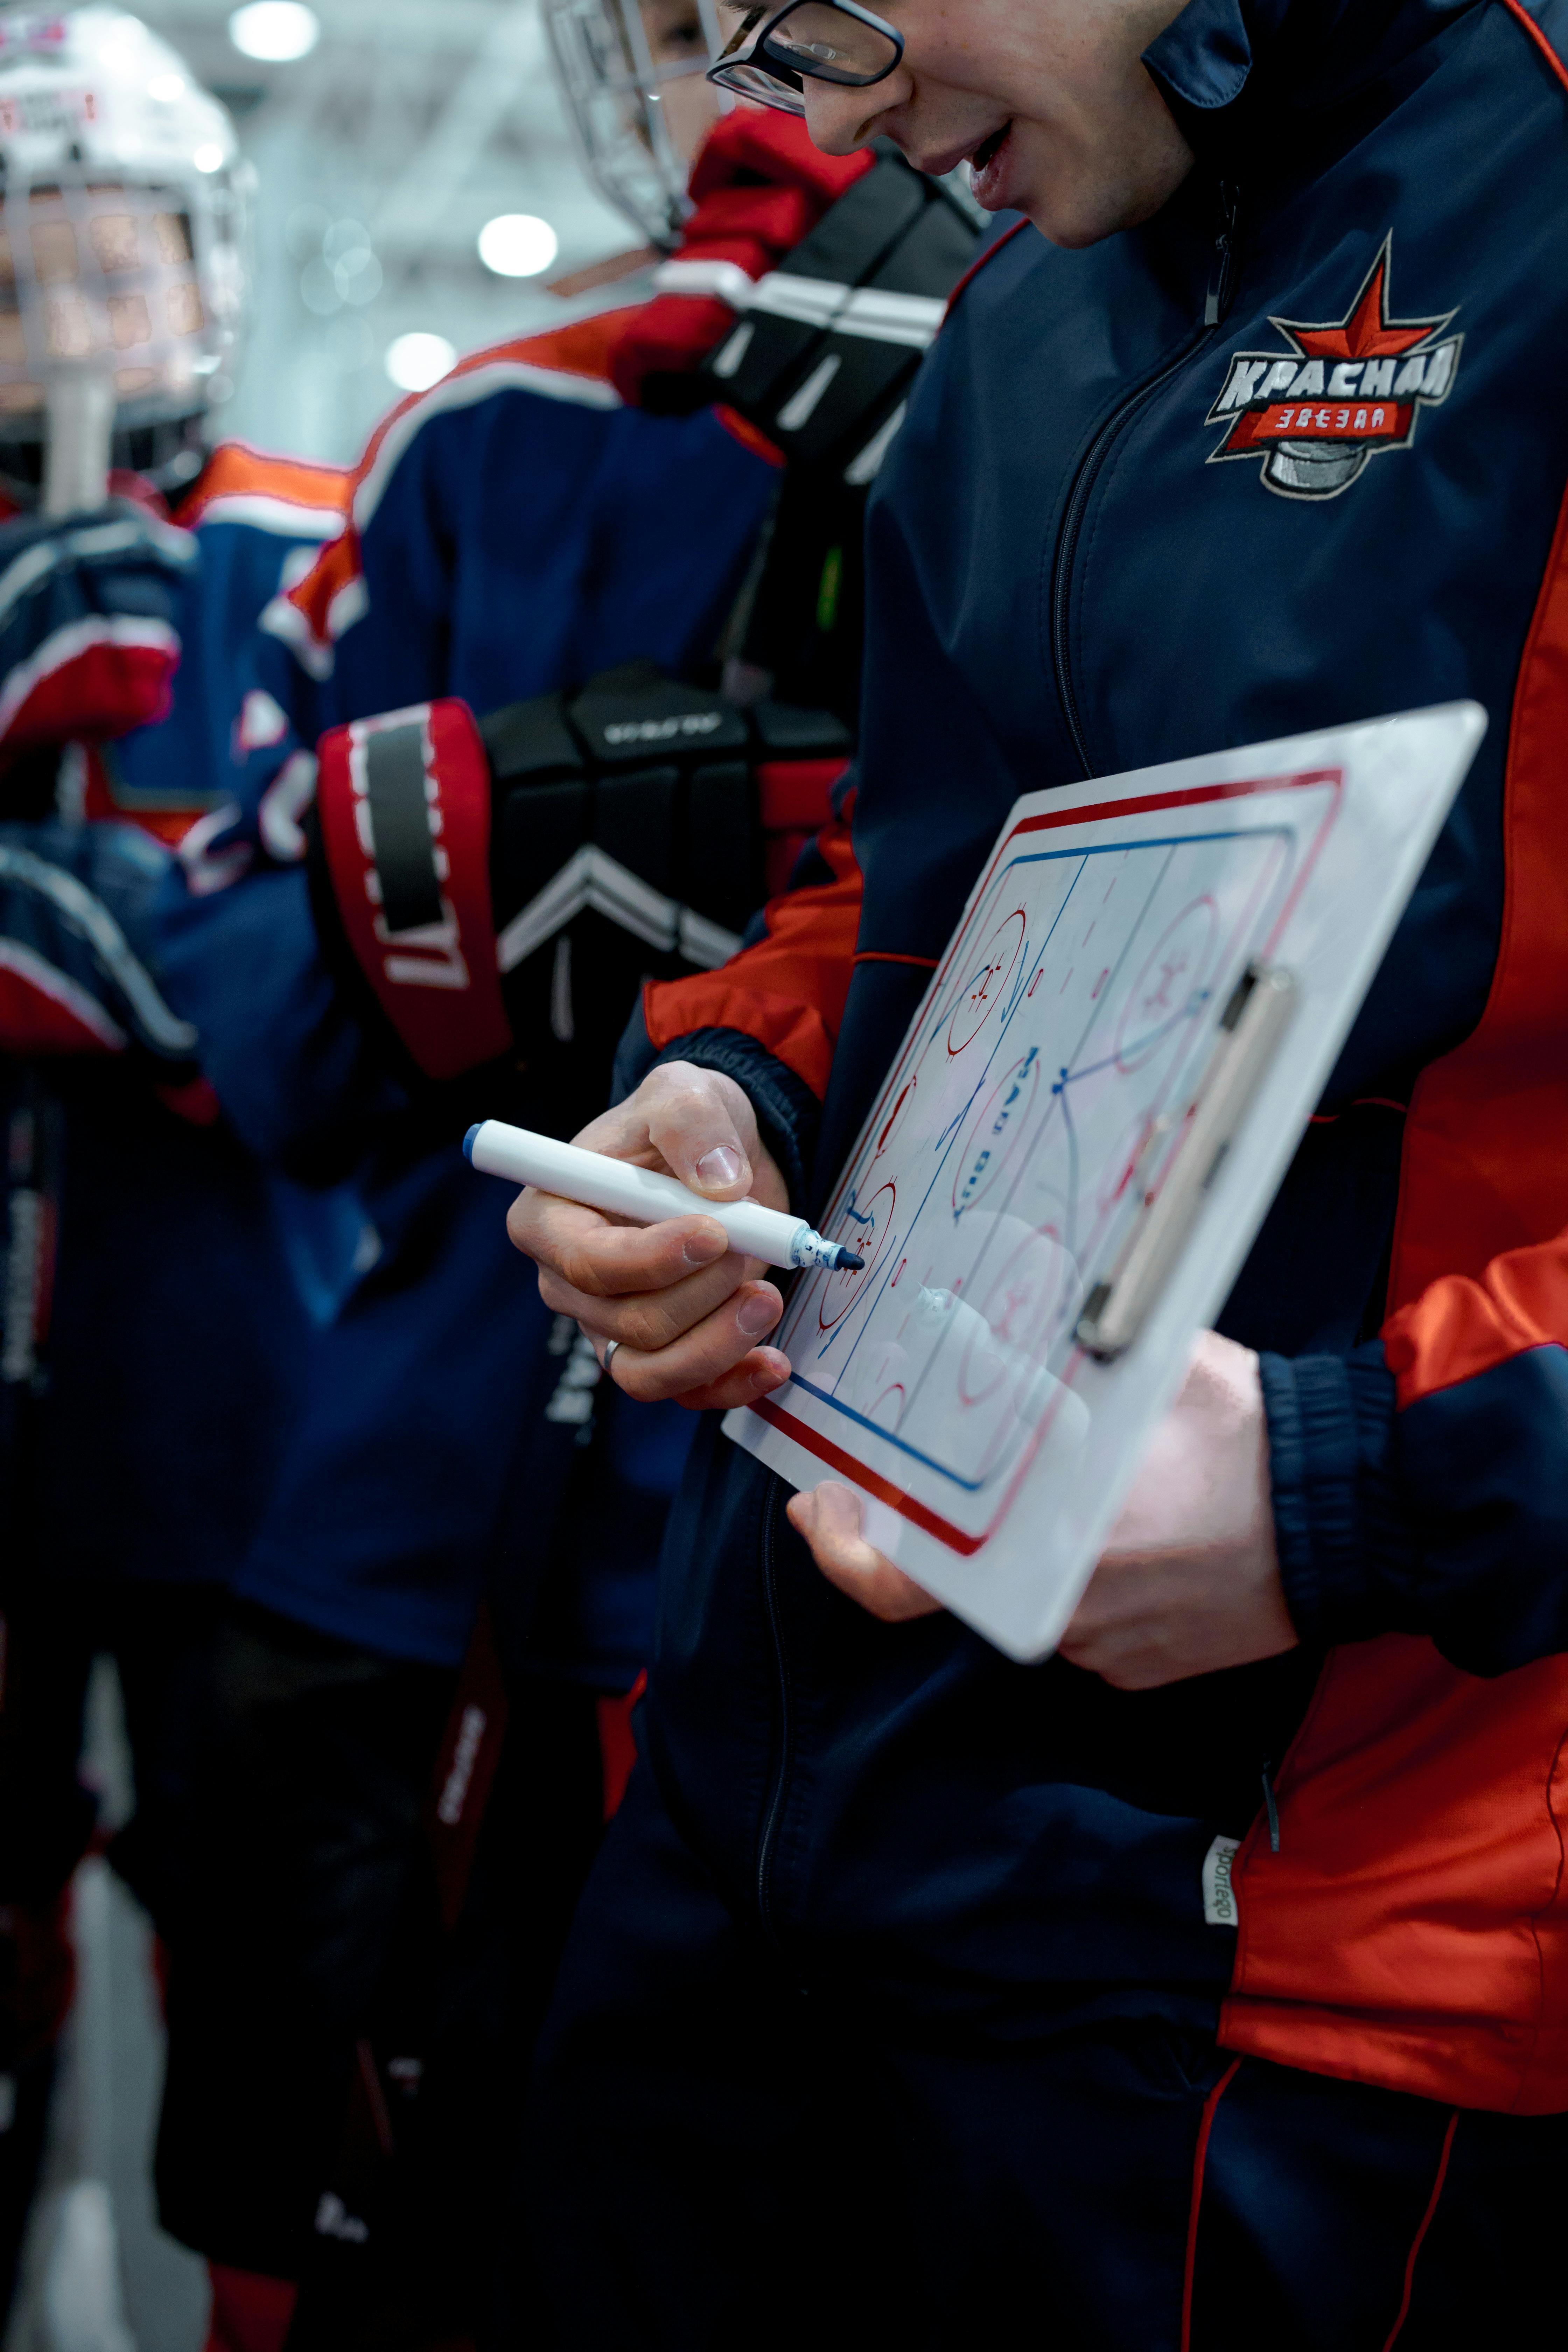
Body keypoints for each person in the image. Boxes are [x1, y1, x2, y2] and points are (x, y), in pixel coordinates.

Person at [506, 0, 1568, 2342]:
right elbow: (922, 894)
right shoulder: (1024, 315)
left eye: (823, 6)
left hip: (1339, 1926)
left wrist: (1352, 1480)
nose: (814, 105)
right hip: (790, 1797)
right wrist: (738, 1100)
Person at [150, 5, 982, 2339]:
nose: (729, 73)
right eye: (670, 24)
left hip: (865, 1590)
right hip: (422, 1550)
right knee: (302, 2256)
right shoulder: (498, 439)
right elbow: (271, 1044)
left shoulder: (1082, 406)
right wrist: (431, 900)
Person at [0, 6, 351, 2332]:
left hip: (259, 1428)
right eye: (8, 284)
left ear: (202, 269)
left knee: (276, 2027)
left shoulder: (325, 547)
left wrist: (158, 959)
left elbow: (332, 1000)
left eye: (104, 270)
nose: (64, 332)